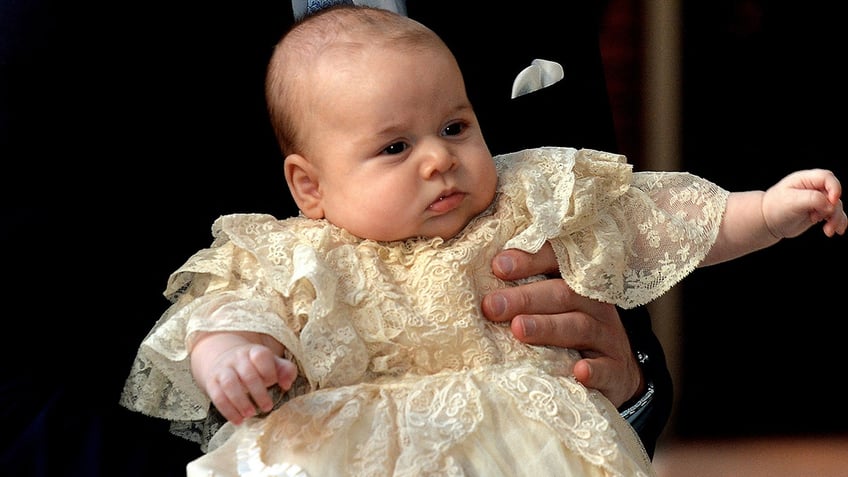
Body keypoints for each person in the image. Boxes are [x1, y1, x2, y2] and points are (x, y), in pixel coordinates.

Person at [119, 6, 846, 476]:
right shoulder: (298, 251)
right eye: (396, 146)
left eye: (455, 126)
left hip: (532, 448)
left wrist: (768, 210)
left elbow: (657, 215)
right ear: (309, 186)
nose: (439, 158)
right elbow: (222, 311)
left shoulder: (521, 195)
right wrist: (232, 359)